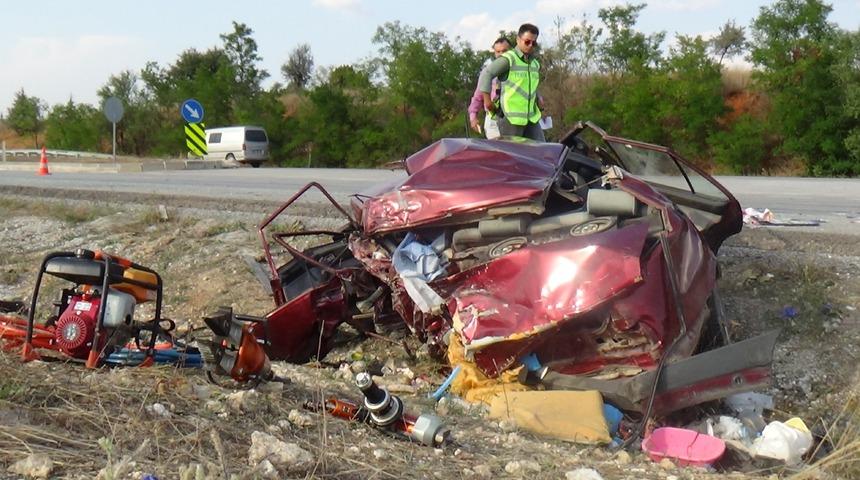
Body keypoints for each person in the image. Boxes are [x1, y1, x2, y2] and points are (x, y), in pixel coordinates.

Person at [478, 23, 545, 141]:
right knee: (512, 156)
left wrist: (538, 98)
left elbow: (529, 86)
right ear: (518, 40)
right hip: (511, 119)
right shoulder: (509, 59)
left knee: (541, 152)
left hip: (531, 118)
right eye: (527, 42)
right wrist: (487, 101)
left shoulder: (534, 64)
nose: (530, 45)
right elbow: (486, 73)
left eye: (533, 43)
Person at [468, 37, 511, 139]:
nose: (501, 54)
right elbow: (478, 97)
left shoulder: (517, 71)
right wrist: (473, 117)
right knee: (497, 153)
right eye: (498, 52)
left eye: (504, 51)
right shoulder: (487, 72)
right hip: (493, 119)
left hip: (513, 119)